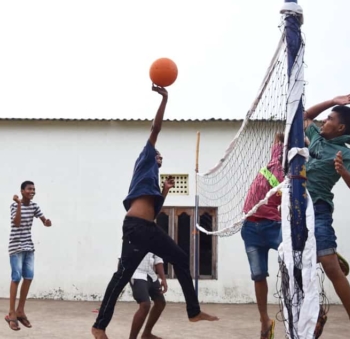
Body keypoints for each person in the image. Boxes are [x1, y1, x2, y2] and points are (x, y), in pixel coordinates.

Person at [92, 85, 219, 339]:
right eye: (158, 155)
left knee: (132, 273)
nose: (160, 158)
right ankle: (99, 327)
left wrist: (165, 191)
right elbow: (155, 129)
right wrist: (165, 99)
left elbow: (154, 210)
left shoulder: (149, 180)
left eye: (161, 158)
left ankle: (100, 327)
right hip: (137, 228)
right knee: (135, 273)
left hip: (144, 229)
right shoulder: (145, 158)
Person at [303, 93, 350, 339]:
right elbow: (305, 116)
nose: (324, 120)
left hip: (320, 208)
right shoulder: (315, 137)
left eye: (330, 118)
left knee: (329, 266)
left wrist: (343, 171)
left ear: (340, 127)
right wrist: (333, 100)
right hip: (297, 209)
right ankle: (316, 315)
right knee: (299, 268)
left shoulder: (347, 154)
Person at [241, 132, 284, 339]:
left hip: (273, 226)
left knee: (296, 260)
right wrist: (289, 135)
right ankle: (264, 320)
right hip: (250, 228)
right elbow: (277, 137)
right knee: (258, 275)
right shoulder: (276, 160)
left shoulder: (296, 175)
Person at [5, 180, 52, 331]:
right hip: (16, 246)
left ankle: (20, 310)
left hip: (28, 246)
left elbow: (43, 219)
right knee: (16, 278)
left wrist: (46, 222)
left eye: (34, 189)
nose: (32, 191)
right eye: (29, 189)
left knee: (29, 277)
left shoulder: (34, 206)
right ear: (22, 191)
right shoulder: (14, 206)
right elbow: (17, 223)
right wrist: (19, 204)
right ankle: (11, 314)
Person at [128, 253, 168, 339]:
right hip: (136, 273)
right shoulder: (130, 239)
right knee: (145, 304)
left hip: (150, 274)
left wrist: (163, 279)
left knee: (160, 302)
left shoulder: (156, 241)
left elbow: (158, 260)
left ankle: (146, 334)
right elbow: (122, 258)